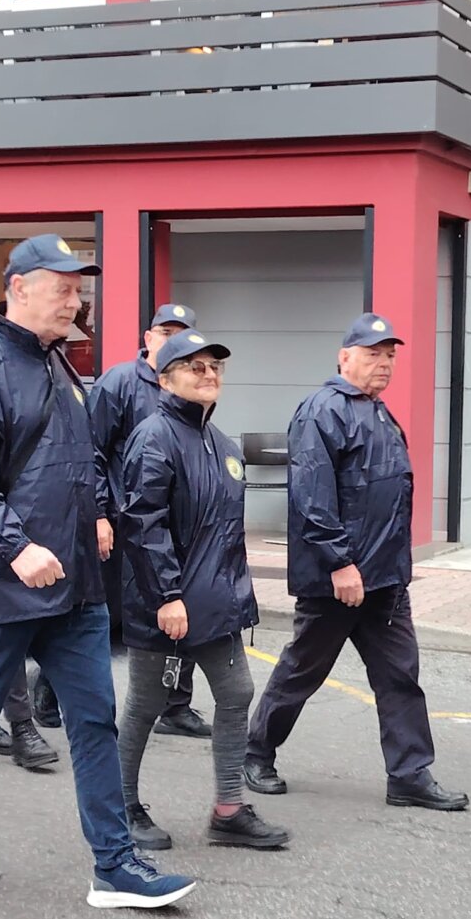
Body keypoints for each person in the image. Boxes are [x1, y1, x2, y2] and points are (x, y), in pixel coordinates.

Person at [0, 234, 195, 908]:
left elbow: (81, 457)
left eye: (78, 288)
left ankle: (114, 865)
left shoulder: (58, 362)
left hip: (76, 583)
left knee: (93, 720)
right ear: (19, 287)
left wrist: (98, 512)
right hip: (8, 584)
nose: (75, 300)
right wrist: (16, 546)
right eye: (63, 287)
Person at [245, 314, 468, 812]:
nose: (383, 363)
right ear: (344, 357)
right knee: (302, 670)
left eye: (390, 355)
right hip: (339, 580)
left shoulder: (379, 412)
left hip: (384, 580)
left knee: (400, 676)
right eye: (372, 354)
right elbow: (312, 498)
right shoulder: (322, 411)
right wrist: (340, 564)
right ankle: (255, 752)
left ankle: (409, 775)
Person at [119, 330, 289, 851]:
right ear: (165, 379)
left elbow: (223, 531)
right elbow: (143, 526)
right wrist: (166, 596)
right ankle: (121, 806)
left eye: (215, 367)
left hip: (215, 603)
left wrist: (238, 597)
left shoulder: (221, 443)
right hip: (166, 602)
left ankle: (229, 810)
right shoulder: (154, 437)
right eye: (195, 367)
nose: (209, 374)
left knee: (236, 693)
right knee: (147, 704)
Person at [90, 302, 211, 740]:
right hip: (124, 523)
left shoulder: (193, 384)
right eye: (164, 333)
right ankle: (48, 688)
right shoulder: (119, 382)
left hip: (176, 527)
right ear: (148, 338)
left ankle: (175, 705)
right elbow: (92, 450)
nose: (170, 341)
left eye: (181, 334)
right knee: (105, 615)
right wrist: (98, 513)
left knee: (179, 611)